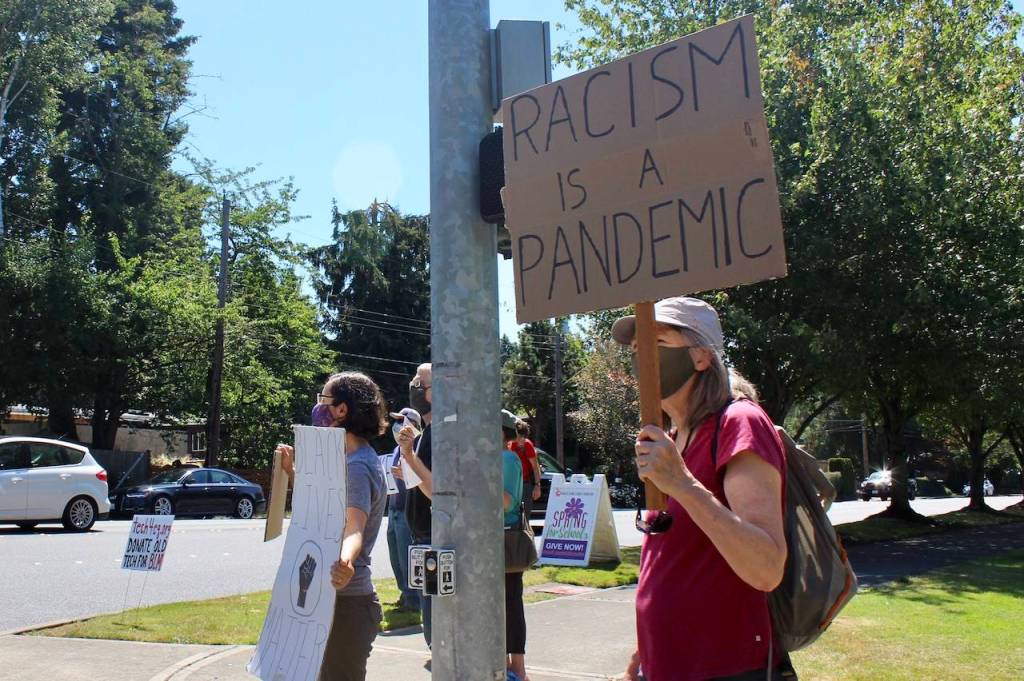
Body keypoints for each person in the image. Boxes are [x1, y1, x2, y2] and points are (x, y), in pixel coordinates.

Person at [611, 297, 789, 681]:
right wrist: (644, 652)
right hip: (666, 666)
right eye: (637, 350)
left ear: (701, 357)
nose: (642, 359)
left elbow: (767, 567)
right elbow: (678, 561)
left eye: (656, 345)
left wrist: (683, 484)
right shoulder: (673, 439)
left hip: (727, 668)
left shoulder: (739, 423)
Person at [276, 371, 388, 681]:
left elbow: (355, 526)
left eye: (323, 400)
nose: (318, 408)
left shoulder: (357, 465)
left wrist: (346, 561)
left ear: (342, 409)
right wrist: (293, 472)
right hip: (331, 600)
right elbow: (328, 506)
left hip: (348, 604)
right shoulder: (344, 458)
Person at [395, 363, 434, 648]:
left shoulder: (442, 433)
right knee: (430, 617)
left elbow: (437, 490)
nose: (413, 387)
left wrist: (409, 456)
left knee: (437, 626)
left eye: (419, 382)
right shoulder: (428, 433)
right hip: (424, 536)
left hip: (436, 538)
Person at [385, 407, 422, 612]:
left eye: (401, 420)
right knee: (396, 555)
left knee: (406, 556)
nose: (397, 424)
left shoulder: (417, 448)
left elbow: (422, 481)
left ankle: (413, 600)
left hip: (407, 510)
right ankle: (404, 594)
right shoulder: (397, 448)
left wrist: (405, 476)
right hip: (393, 509)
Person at [501, 419, 528, 681]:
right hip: (496, 540)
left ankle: (517, 669)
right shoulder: (504, 457)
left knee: (509, 602)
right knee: (503, 603)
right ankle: (506, 665)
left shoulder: (506, 459)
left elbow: (506, 501)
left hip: (505, 540)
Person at [507, 420, 542, 518]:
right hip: (511, 485)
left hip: (525, 485)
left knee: (524, 518)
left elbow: (535, 467)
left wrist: (537, 486)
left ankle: (526, 532)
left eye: (523, 436)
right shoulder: (509, 444)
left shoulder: (527, 445)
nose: (521, 439)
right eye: (519, 435)